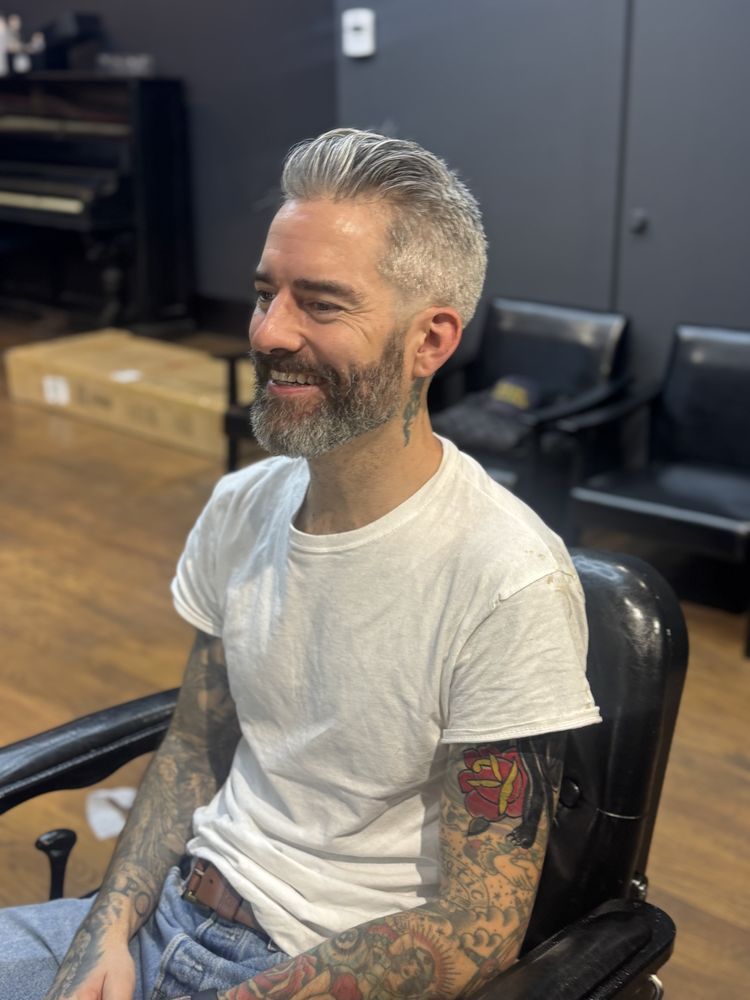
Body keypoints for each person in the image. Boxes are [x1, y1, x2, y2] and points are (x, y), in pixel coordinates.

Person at [0, 128, 600, 1000]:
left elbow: (481, 927)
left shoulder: (507, 579)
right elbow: (199, 743)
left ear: (430, 341)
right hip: (168, 911)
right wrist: (107, 925)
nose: (268, 333)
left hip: (322, 967)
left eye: (320, 304)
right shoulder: (241, 506)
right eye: (263, 294)